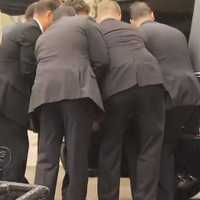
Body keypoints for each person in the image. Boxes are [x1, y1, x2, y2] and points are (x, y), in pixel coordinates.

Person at [29, 12, 109, 199]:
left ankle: (41, 197)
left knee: (46, 157)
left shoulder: (44, 36)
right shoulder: (85, 22)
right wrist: (88, 81)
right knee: (76, 154)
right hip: (77, 93)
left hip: (44, 94)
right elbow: (102, 60)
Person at [129, 2, 200, 200]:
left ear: (132, 21)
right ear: (152, 14)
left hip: (168, 94)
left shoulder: (140, 34)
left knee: (150, 148)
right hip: (191, 93)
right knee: (166, 148)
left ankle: (150, 195)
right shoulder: (175, 32)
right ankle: (166, 194)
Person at [96, 1, 166, 200]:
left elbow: (97, 61)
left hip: (118, 85)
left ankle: (108, 197)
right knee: (149, 146)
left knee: (111, 146)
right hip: (152, 81)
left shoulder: (95, 29)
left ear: (98, 16)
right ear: (119, 15)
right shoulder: (134, 29)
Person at [0, 0, 59, 183]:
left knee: (8, 147)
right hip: (12, 101)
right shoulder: (31, 31)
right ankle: (13, 185)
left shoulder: (17, 28)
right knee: (16, 148)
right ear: (49, 15)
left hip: (6, 99)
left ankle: (14, 182)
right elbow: (28, 69)